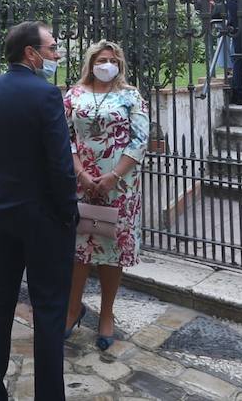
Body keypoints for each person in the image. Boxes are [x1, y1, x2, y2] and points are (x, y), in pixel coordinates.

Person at [0, 21, 77, 401]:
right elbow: (59, 163)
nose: (56, 55)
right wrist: (68, 211)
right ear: (30, 53)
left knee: (1, 298)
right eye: (51, 49)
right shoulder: (46, 95)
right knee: (49, 309)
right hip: (45, 217)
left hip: (3, 213)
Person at [64, 40, 148, 352]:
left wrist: (113, 175)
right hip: (81, 184)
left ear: (119, 64)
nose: (106, 64)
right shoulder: (74, 95)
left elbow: (140, 140)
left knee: (111, 249)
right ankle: (73, 309)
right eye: (101, 59)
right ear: (91, 62)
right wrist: (82, 174)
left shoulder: (130, 95)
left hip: (120, 187)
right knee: (79, 248)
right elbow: (66, 136)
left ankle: (107, 314)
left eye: (112, 60)